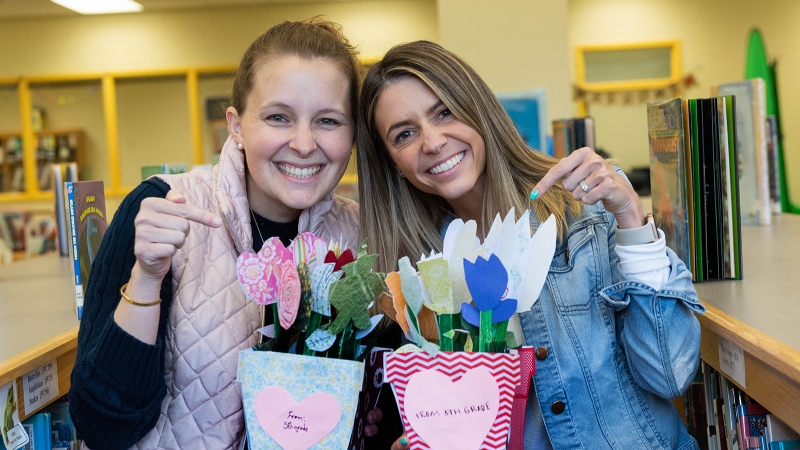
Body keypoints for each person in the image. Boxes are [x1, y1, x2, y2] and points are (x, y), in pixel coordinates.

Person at [357, 40, 705, 450]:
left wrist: (630, 215)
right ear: (392, 164)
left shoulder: (585, 208)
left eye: (444, 112)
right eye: (405, 134)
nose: (432, 142)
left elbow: (669, 372)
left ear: (479, 111)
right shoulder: (415, 276)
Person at [69, 19, 388, 449]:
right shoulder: (167, 207)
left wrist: (367, 419)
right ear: (236, 125)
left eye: (328, 121)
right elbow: (102, 427)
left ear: (353, 136)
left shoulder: (362, 236)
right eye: (278, 117)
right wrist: (147, 276)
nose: (303, 143)